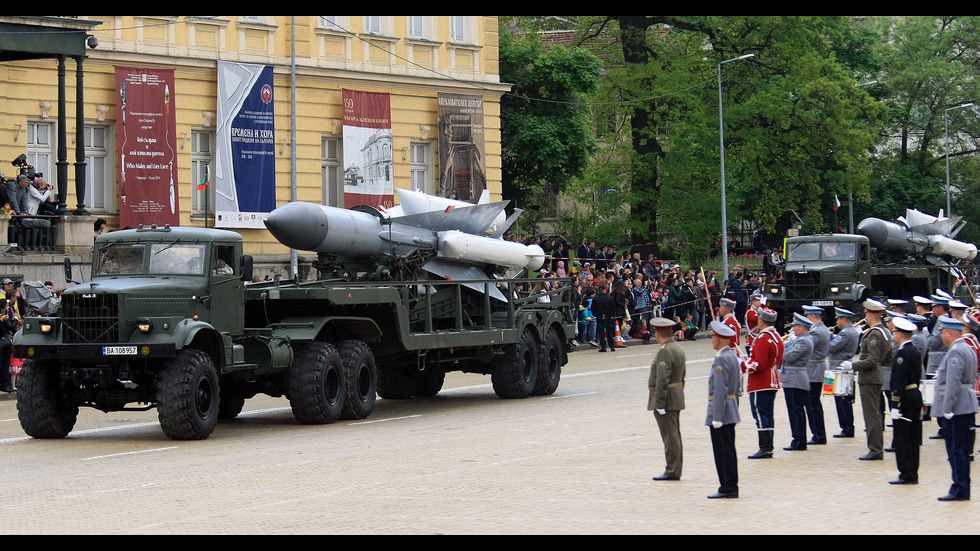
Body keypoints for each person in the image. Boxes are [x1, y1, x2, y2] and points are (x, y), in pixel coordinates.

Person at [932, 314, 978, 501]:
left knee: (956, 449)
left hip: (957, 406)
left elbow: (953, 382)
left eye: (943, 332)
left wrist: (947, 408)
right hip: (964, 403)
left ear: (949, 333)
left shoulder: (956, 352)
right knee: (960, 448)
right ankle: (961, 486)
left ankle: (959, 487)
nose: (941, 335)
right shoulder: (966, 348)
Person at [841, 299, 893, 461]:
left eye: (866, 314)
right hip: (875, 375)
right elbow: (887, 358)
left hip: (870, 377)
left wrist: (853, 365)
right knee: (875, 414)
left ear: (871, 315)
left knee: (871, 416)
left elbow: (871, 360)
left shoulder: (875, 334)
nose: (865, 316)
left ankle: (875, 449)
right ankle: (876, 448)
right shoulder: (884, 331)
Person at [706, 320, 741, 499]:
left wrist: (717, 416)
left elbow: (720, 389)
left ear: (719, 338)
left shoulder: (721, 358)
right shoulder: (732, 356)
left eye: (713, 336)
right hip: (731, 408)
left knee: (723, 451)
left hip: (722, 411)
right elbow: (738, 386)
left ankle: (727, 487)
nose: (712, 339)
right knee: (728, 449)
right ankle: (730, 485)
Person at [648, 317, 687, 481]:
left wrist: (660, 402)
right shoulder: (677, 348)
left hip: (667, 399)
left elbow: (662, 379)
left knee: (670, 437)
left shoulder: (665, 351)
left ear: (658, 333)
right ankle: (674, 468)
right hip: (675, 396)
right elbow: (682, 376)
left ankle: (672, 469)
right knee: (674, 435)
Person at [742, 307, 783, 459]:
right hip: (773, 379)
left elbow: (758, 364)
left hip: (761, 382)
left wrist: (743, 365)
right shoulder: (776, 336)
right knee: (768, 414)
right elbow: (778, 361)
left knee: (760, 415)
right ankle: (768, 446)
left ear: (761, 320)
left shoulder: (763, 338)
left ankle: (765, 448)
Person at [888, 316, 923, 485]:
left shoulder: (902, 353)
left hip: (905, 401)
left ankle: (906, 474)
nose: (894, 335)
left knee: (903, 438)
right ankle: (912, 471)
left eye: (895, 332)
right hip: (915, 397)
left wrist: (895, 404)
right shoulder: (914, 350)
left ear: (900, 334)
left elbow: (899, 381)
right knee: (913, 438)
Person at [782, 312, 814, 451]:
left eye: (795, 326)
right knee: (795, 411)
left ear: (802, 327)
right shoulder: (802, 340)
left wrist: (781, 347)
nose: (793, 329)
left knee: (796, 412)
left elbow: (788, 357)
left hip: (795, 378)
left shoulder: (803, 341)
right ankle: (798, 439)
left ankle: (799, 440)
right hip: (793, 378)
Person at [829, 307, 861, 438]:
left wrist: (829, 337)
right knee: (844, 400)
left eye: (838, 319)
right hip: (843, 368)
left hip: (839, 369)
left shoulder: (845, 333)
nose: (837, 321)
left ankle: (847, 428)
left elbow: (831, 347)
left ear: (843, 319)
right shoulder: (850, 331)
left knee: (842, 401)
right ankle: (847, 427)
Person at [803, 304, 829, 445]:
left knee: (812, 404)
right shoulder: (821, 329)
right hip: (815, 369)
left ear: (812, 317)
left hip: (813, 370)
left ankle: (818, 435)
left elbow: (806, 346)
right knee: (813, 403)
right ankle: (818, 434)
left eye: (807, 316)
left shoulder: (816, 332)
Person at [591, 285, 616, 353]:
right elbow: (613, 308)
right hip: (608, 316)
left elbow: (593, 308)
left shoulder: (596, 298)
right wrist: (611, 315)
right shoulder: (610, 298)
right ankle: (612, 346)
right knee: (609, 331)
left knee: (601, 332)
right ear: (605, 290)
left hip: (599, 316)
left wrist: (595, 314)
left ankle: (603, 347)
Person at [0, 297, 17, 392]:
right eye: (6, 306)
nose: (8, 308)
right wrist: (15, 318)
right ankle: (4, 383)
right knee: (4, 364)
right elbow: (11, 326)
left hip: (5, 343)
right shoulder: (3, 317)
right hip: (3, 341)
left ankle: (5, 383)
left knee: (5, 365)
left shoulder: (5, 316)